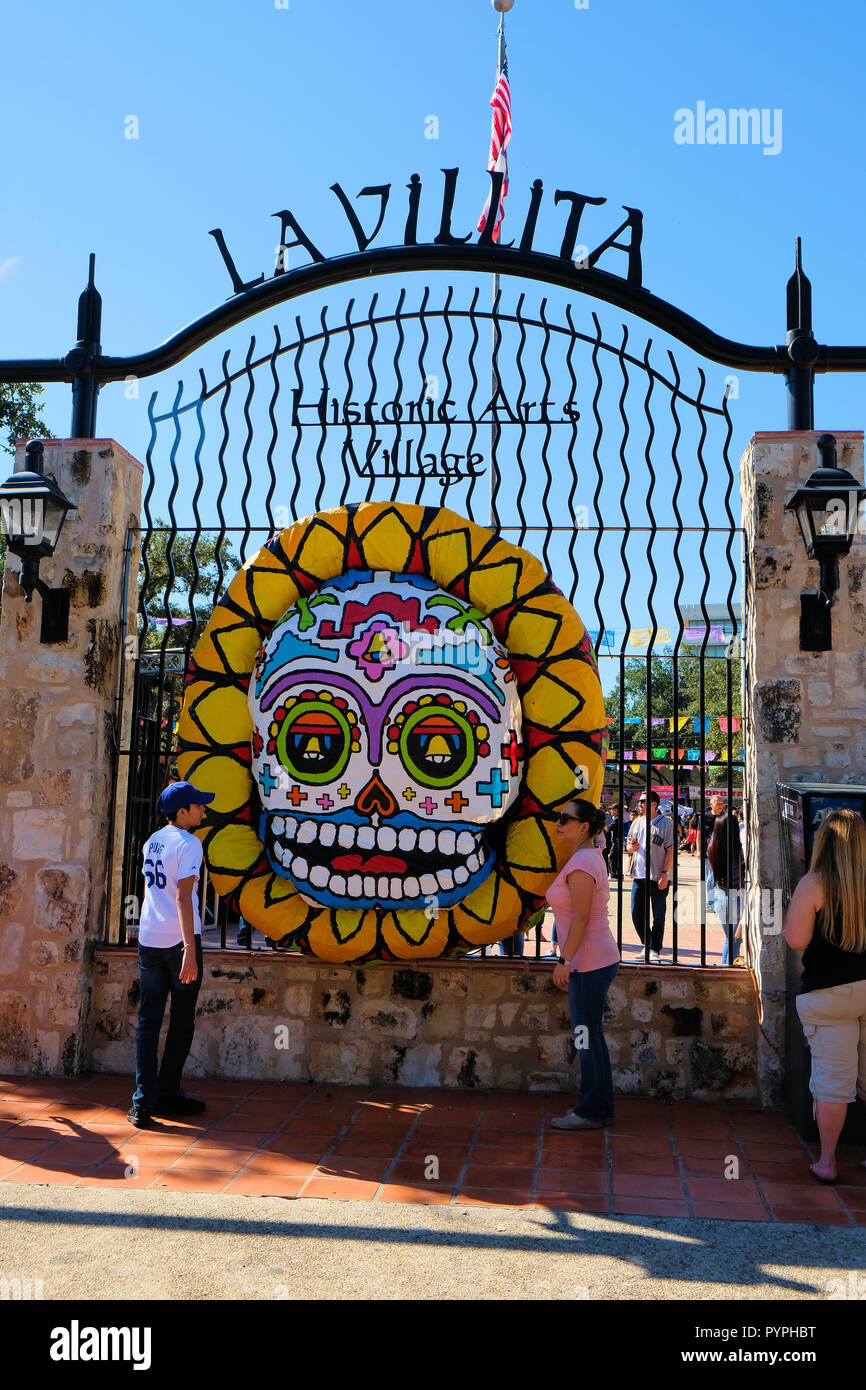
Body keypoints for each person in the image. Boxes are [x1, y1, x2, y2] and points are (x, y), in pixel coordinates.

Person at [783, 808, 866, 1185]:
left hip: (828, 994)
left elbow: (797, 940)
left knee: (833, 1082)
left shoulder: (814, 883)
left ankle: (829, 1162)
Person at [128, 780, 214, 1128]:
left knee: (148, 1020)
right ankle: (167, 1092)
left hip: (149, 938)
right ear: (182, 812)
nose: (203, 810)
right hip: (179, 941)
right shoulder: (189, 843)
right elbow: (182, 897)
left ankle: (142, 1102)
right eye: (198, 806)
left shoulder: (153, 840)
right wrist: (189, 950)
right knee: (181, 1020)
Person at [547, 799, 620, 1130]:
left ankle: (591, 1110)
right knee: (591, 1034)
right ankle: (598, 1104)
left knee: (585, 1035)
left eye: (565, 818)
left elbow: (581, 917)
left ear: (584, 827)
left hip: (587, 961)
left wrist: (565, 960)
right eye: (559, 817)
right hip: (592, 960)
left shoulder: (583, 864)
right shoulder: (585, 859)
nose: (559, 823)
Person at [627, 790, 674, 963]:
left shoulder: (665, 823)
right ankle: (647, 944)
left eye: (642, 801)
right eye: (639, 801)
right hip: (639, 875)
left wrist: (665, 873)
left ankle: (655, 948)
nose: (639, 804)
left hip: (658, 875)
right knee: (635, 912)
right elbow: (628, 846)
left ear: (654, 804)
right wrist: (632, 848)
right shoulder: (637, 822)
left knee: (658, 914)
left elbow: (670, 849)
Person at [707, 811, 744, 965]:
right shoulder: (738, 850)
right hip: (736, 897)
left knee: (730, 939)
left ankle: (725, 966)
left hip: (719, 896)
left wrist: (708, 902)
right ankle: (726, 968)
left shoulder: (712, 846)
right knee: (734, 940)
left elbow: (711, 877)